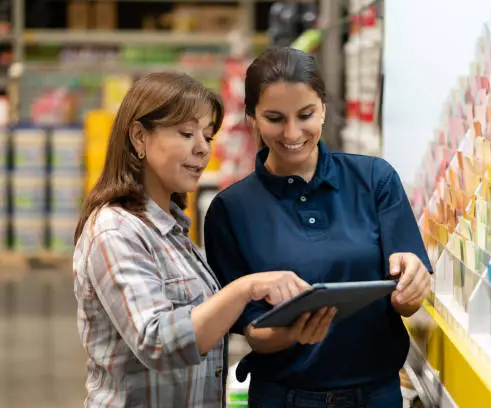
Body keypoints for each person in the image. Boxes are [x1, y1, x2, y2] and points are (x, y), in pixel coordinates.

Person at [72, 72, 322, 408]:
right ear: (138, 137)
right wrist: (245, 288)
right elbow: (157, 343)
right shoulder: (116, 230)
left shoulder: (172, 230)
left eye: (207, 136)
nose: (202, 149)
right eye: (186, 133)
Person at [203, 47, 433, 408]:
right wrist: (291, 333)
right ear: (253, 118)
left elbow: (406, 299)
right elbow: (253, 332)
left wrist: (413, 287)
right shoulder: (230, 211)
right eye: (275, 118)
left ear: (324, 108)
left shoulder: (376, 180)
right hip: (283, 398)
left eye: (305, 114)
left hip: (377, 396)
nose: (292, 132)